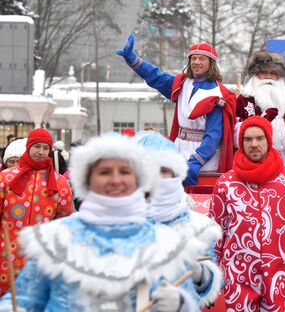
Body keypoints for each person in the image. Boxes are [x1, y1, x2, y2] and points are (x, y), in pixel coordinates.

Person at [0, 133, 207, 311]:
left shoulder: (165, 244)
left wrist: (181, 303)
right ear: (87, 180)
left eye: (125, 171)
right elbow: (24, 300)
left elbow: (190, 300)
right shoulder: (56, 241)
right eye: (104, 172)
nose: (115, 180)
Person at [209, 116, 285, 310]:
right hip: (238, 275)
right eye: (248, 139)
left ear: (269, 140)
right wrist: (208, 273)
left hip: (278, 275)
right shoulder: (226, 184)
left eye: (259, 138)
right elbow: (215, 232)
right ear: (241, 143)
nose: (254, 144)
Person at [116, 34, 236, 186]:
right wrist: (133, 60)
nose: (197, 62)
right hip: (178, 151)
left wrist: (196, 161)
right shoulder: (181, 84)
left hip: (204, 158)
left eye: (202, 58)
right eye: (193, 58)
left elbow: (214, 136)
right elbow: (155, 76)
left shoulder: (219, 94)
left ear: (211, 63)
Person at [135, 130, 223, 308]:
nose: (156, 177)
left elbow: (211, 285)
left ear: (175, 174)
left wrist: (199, 274)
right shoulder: (116, 222)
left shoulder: (199, 227)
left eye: (163, 170)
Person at [0, 128, 75, 296]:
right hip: (5, 257)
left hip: (41, 261)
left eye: (45, 148)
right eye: (37, 147)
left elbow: (66, 224)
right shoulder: (5, 178)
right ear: (28, 147)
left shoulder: (60, 183)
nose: (41, 152)